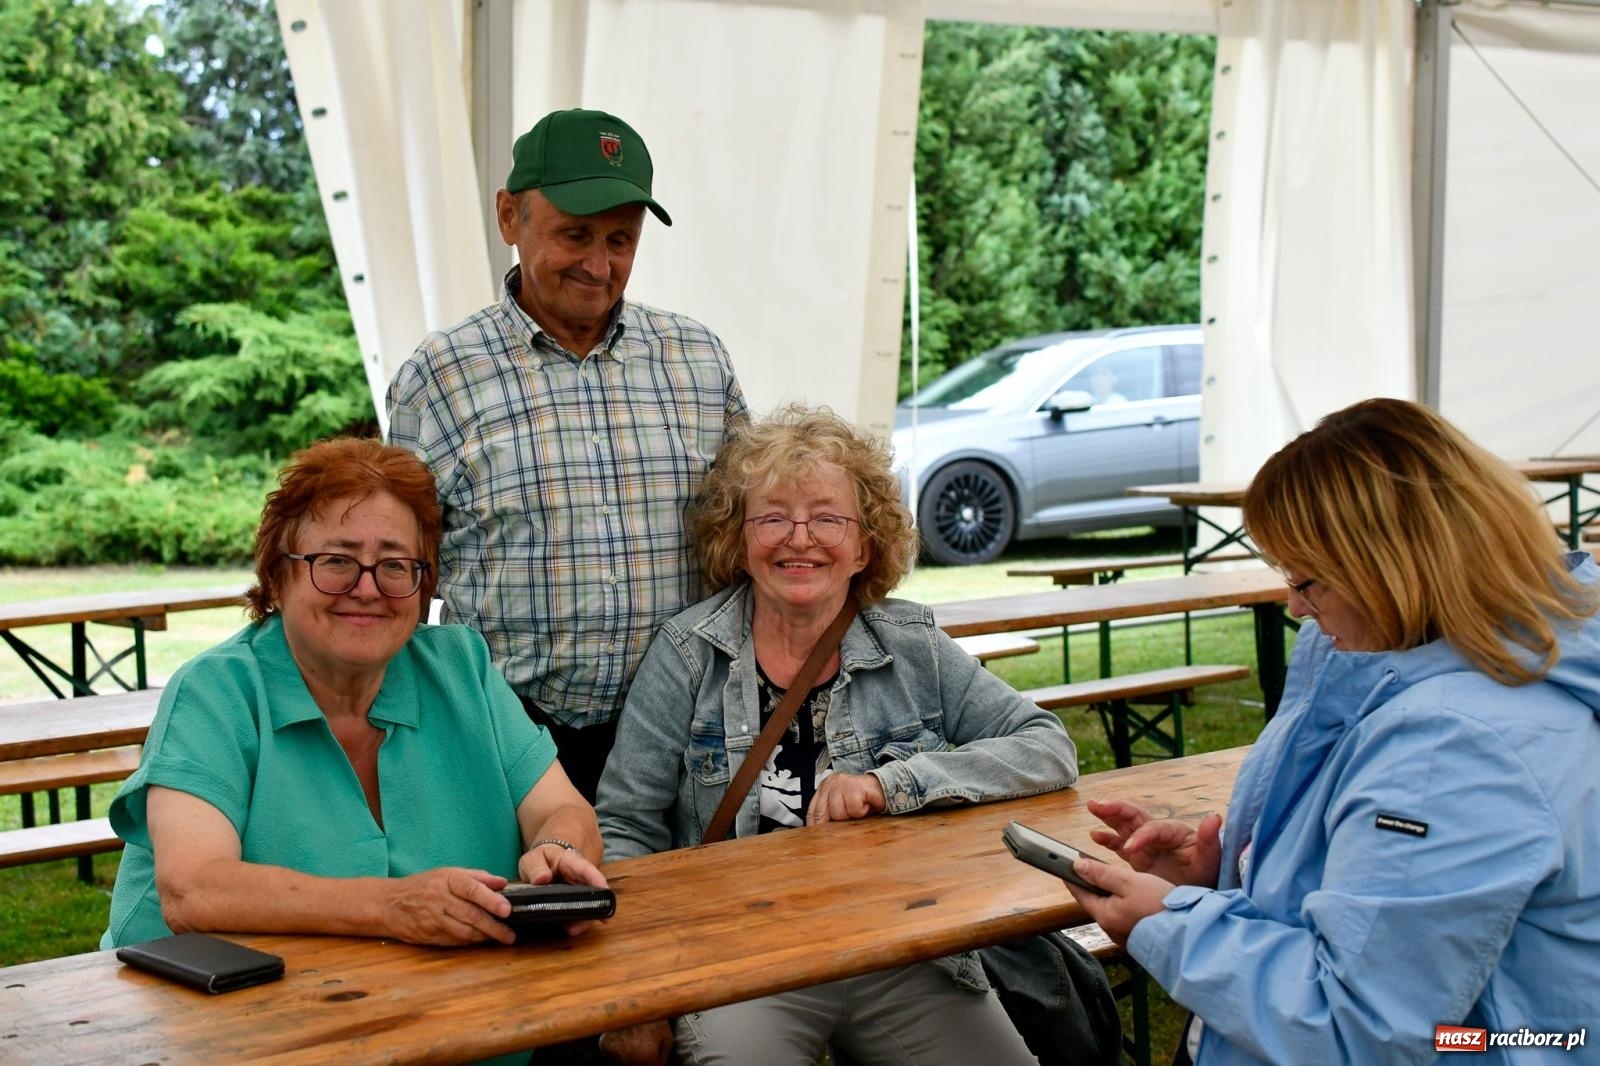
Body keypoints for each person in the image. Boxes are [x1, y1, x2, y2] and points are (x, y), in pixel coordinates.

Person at [1064, 398, 1600, 1065]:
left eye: (1306, 580)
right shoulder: (1486, 682)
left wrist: (1168, 924)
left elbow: (1354, 1023)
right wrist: (1233, 870)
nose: (1294, 606)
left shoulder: (1451, 746)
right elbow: (1398, 902)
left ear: (1394, 563)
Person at [596, 405, 1079, 1066]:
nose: (800, 539)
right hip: (741, 963)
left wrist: (892, 783)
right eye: (772, 517)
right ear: (737, 540)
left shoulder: (910, 645)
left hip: (901, 949)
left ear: (864, 543)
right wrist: (639, 992)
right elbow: (625, 831)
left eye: (827, 517)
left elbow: (1046, 745)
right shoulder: (687, 654)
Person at [102, 438, 606, 951]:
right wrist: (392, 906)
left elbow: (563, 811)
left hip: (425, 999)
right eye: (337, 561)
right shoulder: (216, 691)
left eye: (394, 564)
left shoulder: (462, 667)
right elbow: (193, 891)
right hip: (208, 1005)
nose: (367, 588)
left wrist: (556, 852)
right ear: (277, 576)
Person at [387, 108, 746, 803]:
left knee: (690, 913)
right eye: (574, 235)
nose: (598, 263)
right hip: (505, 739)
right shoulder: (441, 374)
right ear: (509, 217)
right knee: (525, 912)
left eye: (621, 239)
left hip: (685, 739)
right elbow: (404, 571)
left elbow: (746, 535)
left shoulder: (697, 358)